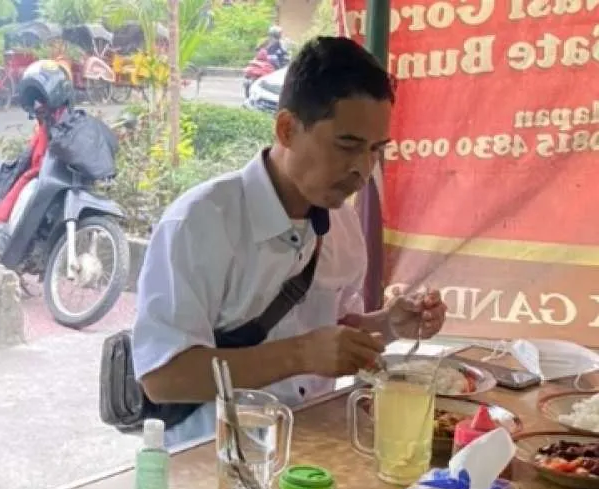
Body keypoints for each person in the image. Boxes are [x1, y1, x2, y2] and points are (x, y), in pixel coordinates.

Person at [133, 36, 447, 446]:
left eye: (375, 150)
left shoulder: (342, 222)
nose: (363, 169)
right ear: (286, 129)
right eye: (347, 145)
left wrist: (388, 324)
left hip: (313, 449)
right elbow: (162, 377)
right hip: (213, 456)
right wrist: (300, 355)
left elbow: (331, 329)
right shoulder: (200, 223)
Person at [0, 61, 73, 225]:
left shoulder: (62, 119)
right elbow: (37, 157)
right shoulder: (48, 122)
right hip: (38, 173)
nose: (38, 107)